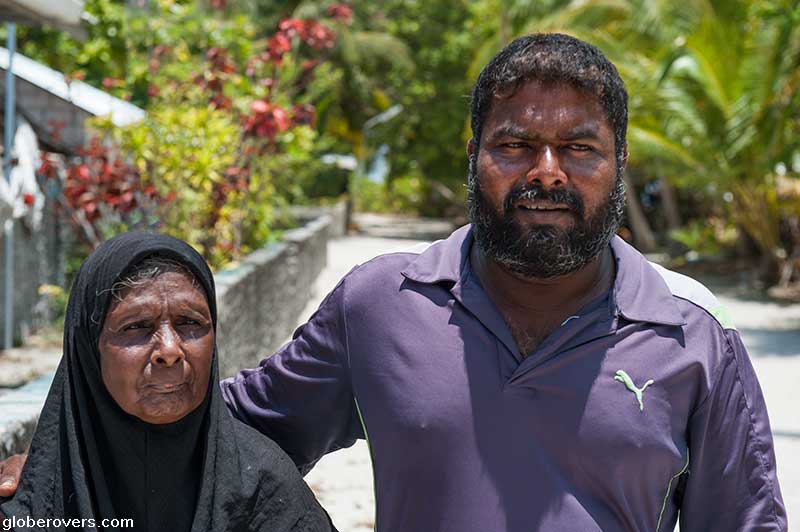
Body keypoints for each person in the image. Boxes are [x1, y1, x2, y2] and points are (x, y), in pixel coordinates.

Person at [1, 33, 788, 531]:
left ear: (619, 165)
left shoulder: (692, 332)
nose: (546, 172)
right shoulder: (380, 304)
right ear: (472, 155)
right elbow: (232, 425)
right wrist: (52, 459)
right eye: (514, 144)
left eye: (579, 148)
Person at [0, 232, 333, 532]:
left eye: (190, 322)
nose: (170, 350)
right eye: (136, 326)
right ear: (89, 349)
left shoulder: (264, 487)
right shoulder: (29, 504)